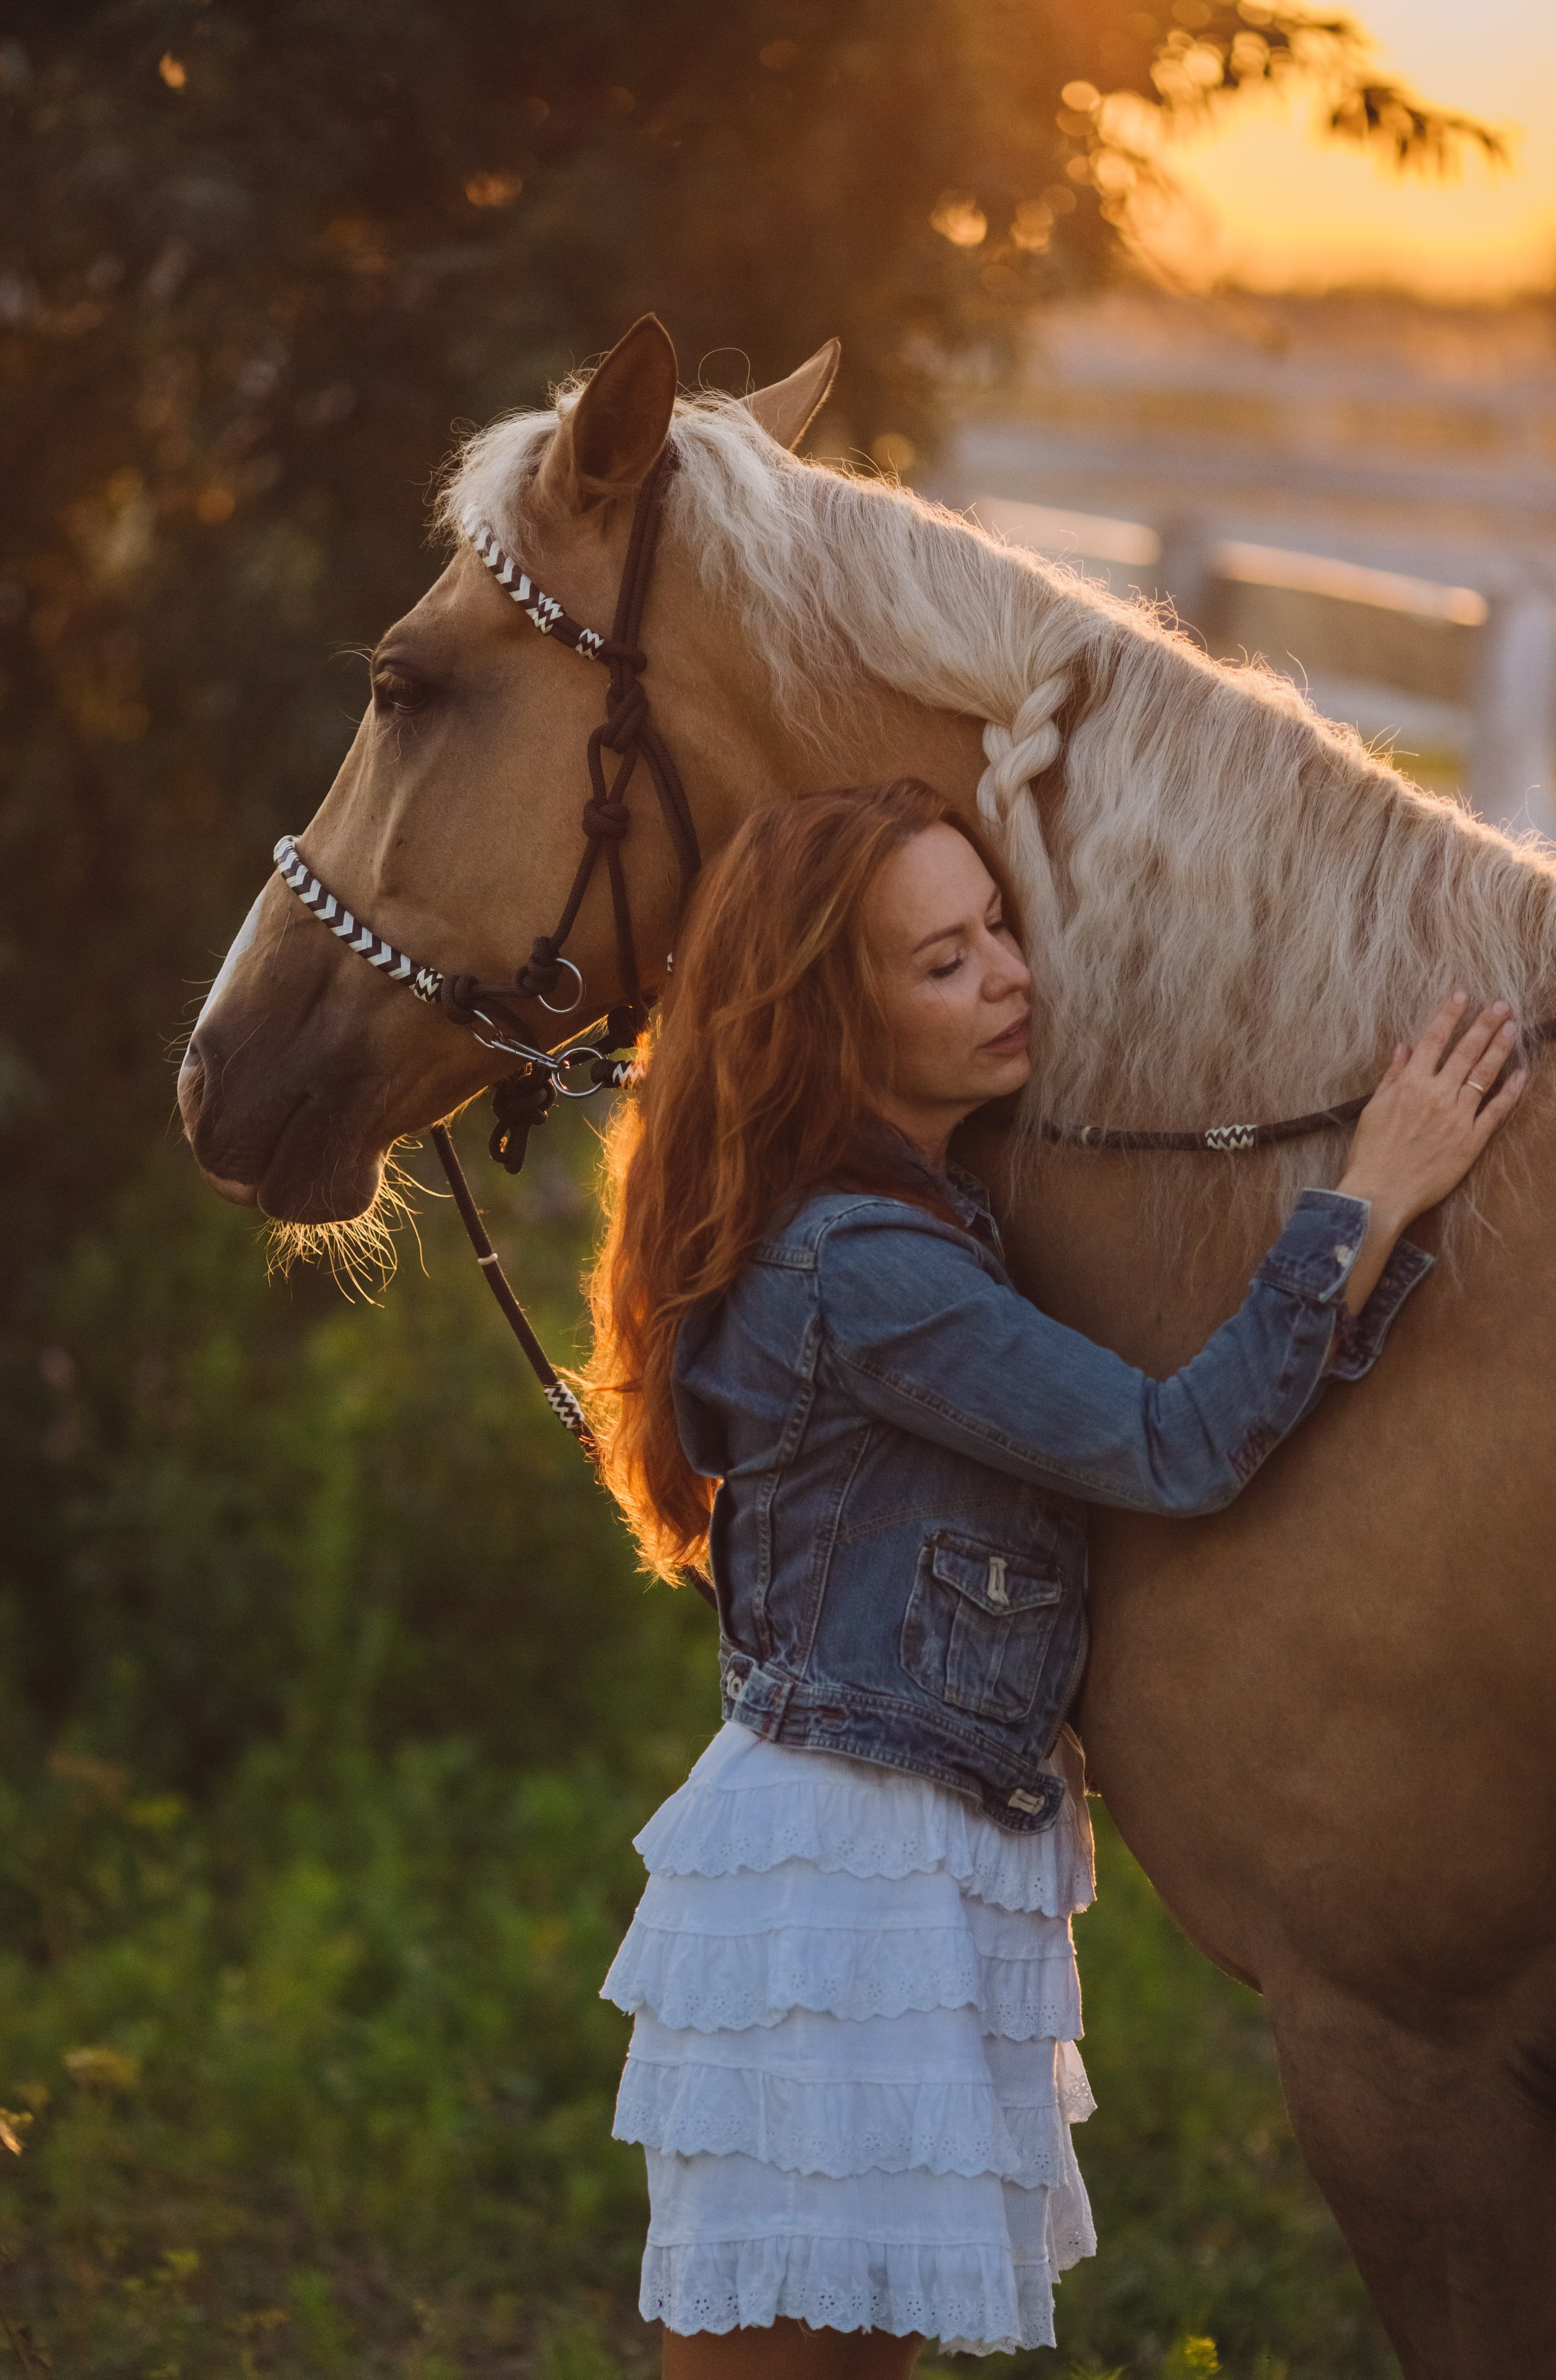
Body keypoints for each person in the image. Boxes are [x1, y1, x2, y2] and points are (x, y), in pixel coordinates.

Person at [583, 777, 1524, 2377]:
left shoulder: (926, 1220)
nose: (1012, 975)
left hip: (918, 1856)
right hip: (851, 1879)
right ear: (832, 1022)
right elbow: (1175, 1448)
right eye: (942, 962)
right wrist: (1372, 1188)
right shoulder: (867, 1266)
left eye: (998, 927)